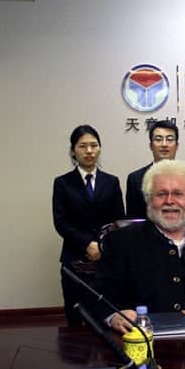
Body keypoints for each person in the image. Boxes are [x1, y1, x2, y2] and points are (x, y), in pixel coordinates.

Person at [99, 159, 185, 333]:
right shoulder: (120, 241)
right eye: (161, 194)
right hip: (141, 340)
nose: (170, 201)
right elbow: (97, 296)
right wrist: (114, 316)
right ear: (148, 199)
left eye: (178, 194)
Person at [52, 125, 125, 326]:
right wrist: (87, 244)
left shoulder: (111, 182)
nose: (89, 151)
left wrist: (101, 246)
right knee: (76, 316)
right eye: (83, 146)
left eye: (94, 145)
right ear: (73, 150)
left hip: (106, 259)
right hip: (74, 258)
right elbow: (60, 222)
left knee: (106, 316)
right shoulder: (62, 183)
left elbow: (118, 220)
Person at [125, 120, 185, 229]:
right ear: (151, 146)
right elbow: (133, 223)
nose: (164, 144)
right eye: (158, 139)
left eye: (170, 139)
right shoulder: (135, 179)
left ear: (177, 146)